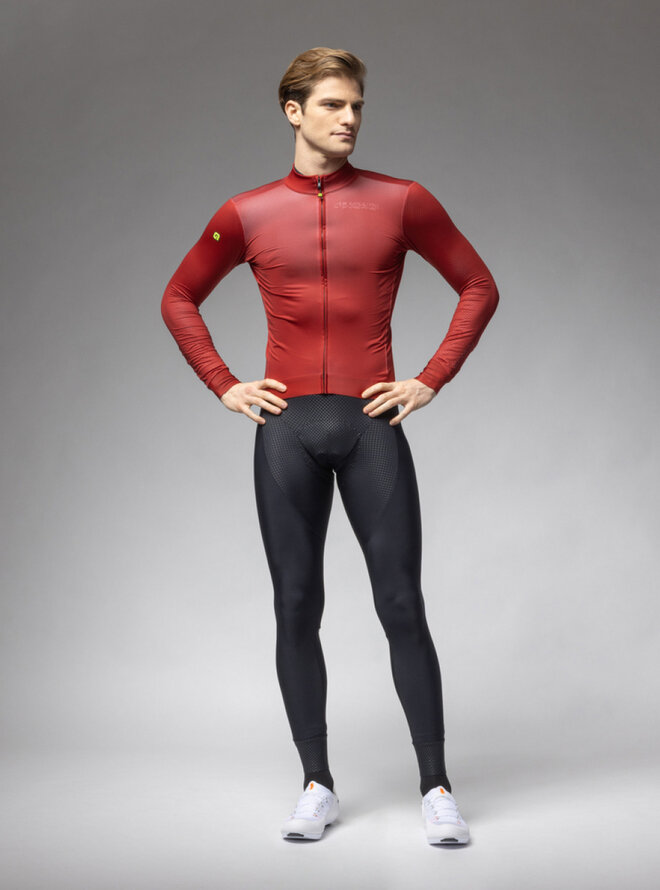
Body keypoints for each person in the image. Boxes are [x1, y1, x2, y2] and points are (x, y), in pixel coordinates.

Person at [161, 47, 498, 845]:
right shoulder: (246, 213)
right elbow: (179, 297)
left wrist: (431, 378)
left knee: (401, 603)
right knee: (294, 604)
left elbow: (478, 285)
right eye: (333, 105)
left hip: (369, 425)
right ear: (294, 111)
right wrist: (223, 382)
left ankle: (437, 787)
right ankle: (316, 784)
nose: (349, 119)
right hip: (286, 432)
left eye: (357, 107)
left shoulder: (402, 201)